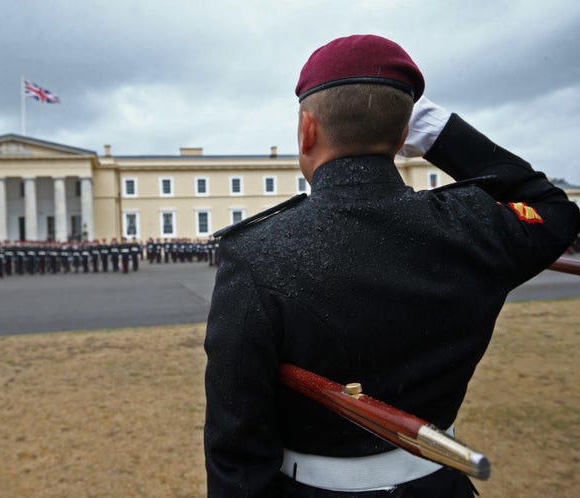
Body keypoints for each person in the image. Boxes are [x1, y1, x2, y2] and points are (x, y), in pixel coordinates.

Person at [203, 34, 580, 498]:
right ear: (405, 137)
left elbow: (237, 448)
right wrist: (441, 133)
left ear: (307, 130)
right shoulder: (475, 227)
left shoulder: (257, 252)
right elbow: (553, 209)